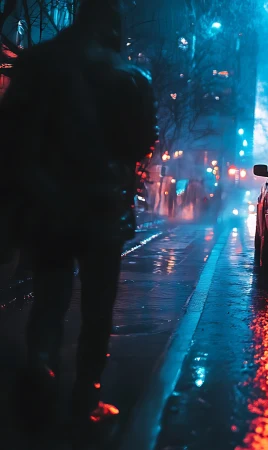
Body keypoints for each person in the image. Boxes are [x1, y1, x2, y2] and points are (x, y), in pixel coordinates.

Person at [0, 0, 157, 437]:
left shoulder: (36, 64)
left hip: (47, 204)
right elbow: (141, 142)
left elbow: (9, 137)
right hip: (101, 210)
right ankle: (85, 399)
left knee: (50, 295)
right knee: (97, 307)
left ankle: (40, 366)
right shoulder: (128, 77)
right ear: (112, 30)